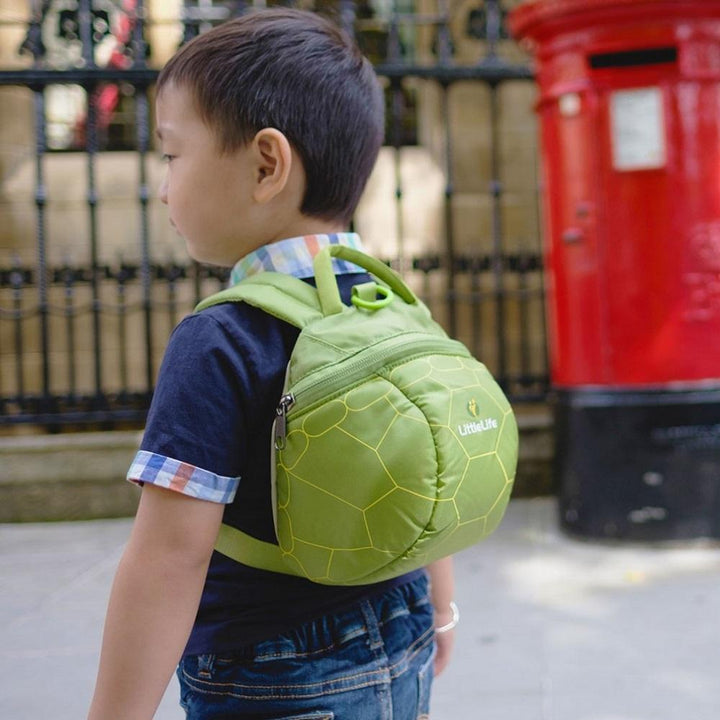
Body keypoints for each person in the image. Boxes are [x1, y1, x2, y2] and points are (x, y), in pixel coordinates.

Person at [88, 9, 456, 720]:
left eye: (171, 155)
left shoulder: (222, 338)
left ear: (265, 165)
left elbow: (169, 558)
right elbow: (424, 478)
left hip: (273, 669)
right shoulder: (387, 299)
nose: (163, 186)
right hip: (402, 632)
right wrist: (442, 607)